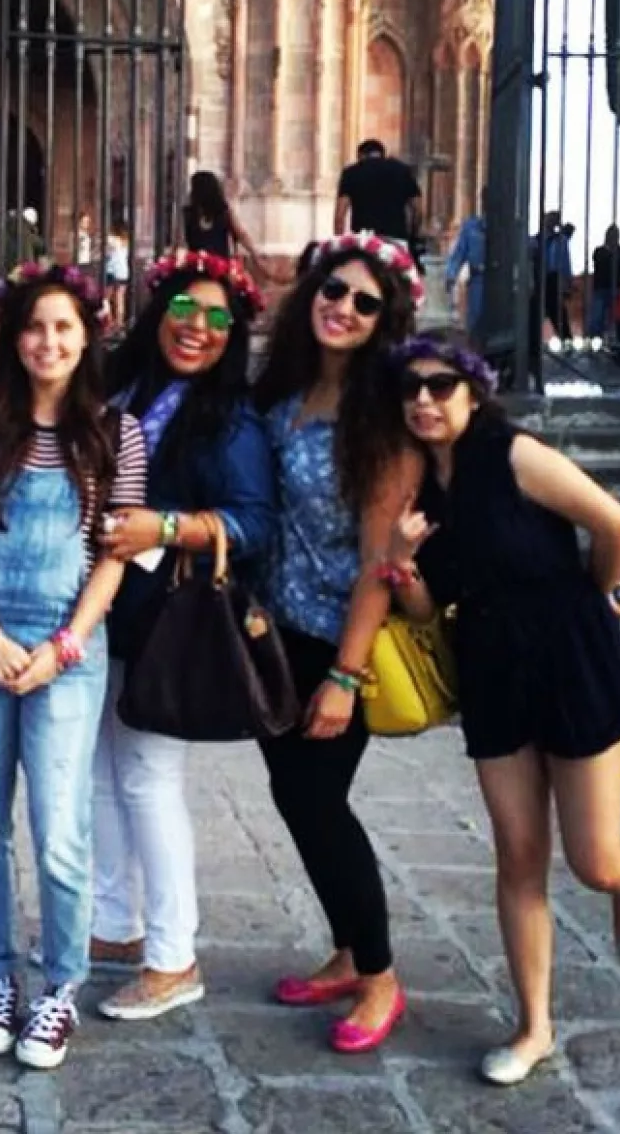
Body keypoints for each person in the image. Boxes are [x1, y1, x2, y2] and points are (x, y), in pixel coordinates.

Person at [385, 333, 620, 1085]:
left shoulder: (514, 455)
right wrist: (401, 562)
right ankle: (534, 1026)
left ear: (473, 394)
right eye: (410, 389)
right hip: (491, 667)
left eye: (441, 385)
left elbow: (615, 524)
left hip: (573, 653)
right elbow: (425, 606)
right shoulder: (420, 488)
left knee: (593, 859)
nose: (424, 400)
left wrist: (597, 594)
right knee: (519, 852)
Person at [0, 261, 146, 1070]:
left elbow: (115, 555)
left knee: (59, 829)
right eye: (32, 327)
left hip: (68, 648)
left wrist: (64, 647)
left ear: (87, 335)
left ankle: (60, 986)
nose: (47, 342)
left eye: (62, 327)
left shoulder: (117, 433)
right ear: (13, 338)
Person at [251, 231, 425, 1054]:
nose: (344, 308)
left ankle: (381, 974)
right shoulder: (286, 390)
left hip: (337, 639)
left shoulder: (380, 418)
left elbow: (380, 561)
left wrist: (346, 677)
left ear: (384, 322)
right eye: (334, 291)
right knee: (295, 797)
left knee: (320, 802)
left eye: (365, 302)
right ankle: (350, 950)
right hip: (275, 629)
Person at [90, 248, 276, 1020]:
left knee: (147, 779)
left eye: (217, 318)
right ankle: (113, 926)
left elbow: (255, 522)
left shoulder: (229, 417)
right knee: (98, 773)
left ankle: (173, 957)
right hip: (102, 609)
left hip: (164, 617)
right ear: (156, 309)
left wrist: (165, 527)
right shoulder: (123, 384)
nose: (198, 327)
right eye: (183, 309)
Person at [183, 171, 272, 280]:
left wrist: (256, 256)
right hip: (198, 269)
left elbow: (241, 235)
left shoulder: (223, 212)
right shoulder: (189, 213)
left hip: (219, 269)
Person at [334, 140, 423, 246]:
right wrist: (414, 235)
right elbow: (418, 210)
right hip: (396, 241)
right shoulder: (403, 171)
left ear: (361, 155)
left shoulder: (351, 172)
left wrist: (339, 244)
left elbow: (340, 216)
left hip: (364, 242)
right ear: (382, 154)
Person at [587, 225, 620, 364]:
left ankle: (616, 348)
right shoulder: (599, 251)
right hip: (601, 289)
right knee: (597, 320)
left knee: (618, 321)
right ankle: (596, 347)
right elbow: (601, 264)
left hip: (618, 290)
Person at [445, 192, 488, 343]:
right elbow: (459, 254)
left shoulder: (508, 228)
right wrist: (450, 275)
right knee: (475, 325)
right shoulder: (471, 226)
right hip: (478, 280)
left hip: (501, 282)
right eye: (484, 199)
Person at [105, 220, 131, 331]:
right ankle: (119, 322)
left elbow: (106, 252)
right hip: (123, 272)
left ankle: (109, 321)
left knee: (106, 298)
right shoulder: (126, 241)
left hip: (111, 271)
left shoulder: (111, 239)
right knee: (120, 298)